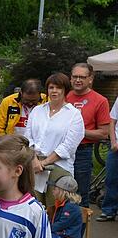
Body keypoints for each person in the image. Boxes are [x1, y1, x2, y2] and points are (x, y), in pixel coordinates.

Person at [25, 73, 85, 207]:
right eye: (51, 87)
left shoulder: (74, 115)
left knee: (55, 211)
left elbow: (68, 146)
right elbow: (27, 138)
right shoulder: (37, 111)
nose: (54, 91)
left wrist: (44, 163)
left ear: (65, 90)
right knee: (34, 209)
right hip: (34, 166)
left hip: (59, 169)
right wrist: (35, 161)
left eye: (58, 88)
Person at [66, 63, 111, 208]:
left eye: (82, 77)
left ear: (90, 79)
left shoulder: (100, 100)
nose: (78, 80)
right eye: (75, 77)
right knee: (58, 192)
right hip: (59, 151)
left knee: (79, 196)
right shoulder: (63, 95)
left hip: (82, 153)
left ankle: (79, 230)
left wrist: (78, 131)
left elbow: (104, 133)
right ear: (70, 78)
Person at [97, 96, 118, 221]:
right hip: (115, 148)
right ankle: (109, 210)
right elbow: (112, 120)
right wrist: (113, 141)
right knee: (111, 179)